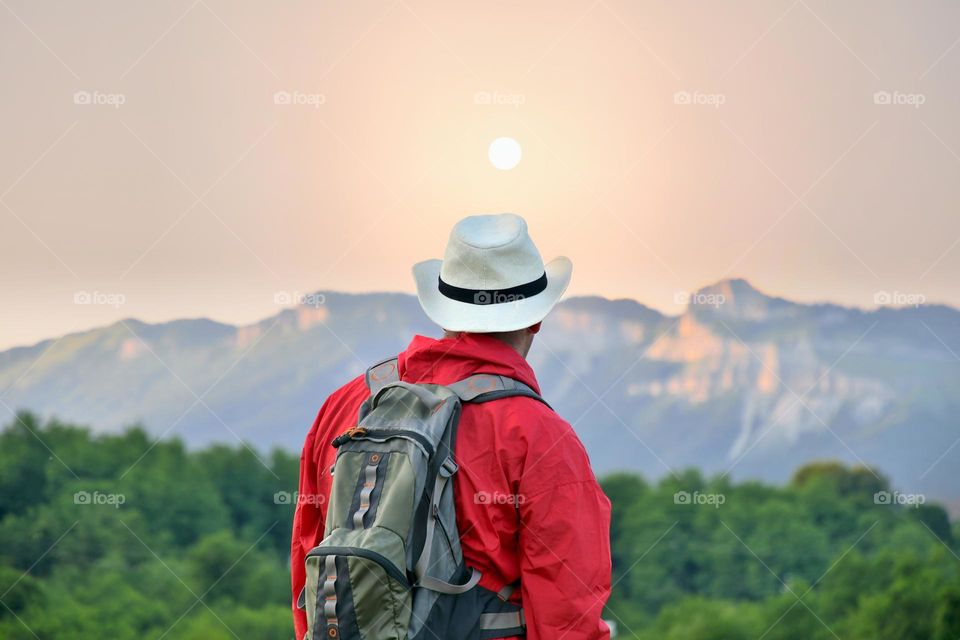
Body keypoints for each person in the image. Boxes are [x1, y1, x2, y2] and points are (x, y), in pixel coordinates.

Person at [291, 213, 612, 639]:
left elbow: (308, 567)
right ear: (537, 317)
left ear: (442, 307)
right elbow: (567, 617)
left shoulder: (347, 404)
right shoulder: (539, 434)